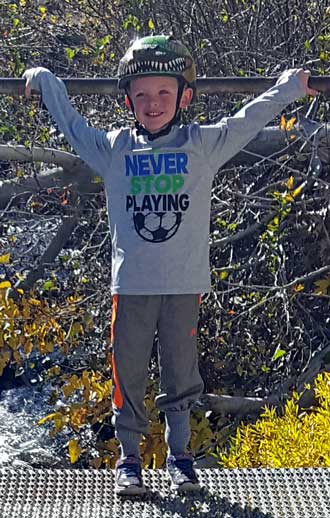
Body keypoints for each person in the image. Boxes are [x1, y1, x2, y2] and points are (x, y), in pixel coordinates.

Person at [23, 35, 317, 496]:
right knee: (129, 371)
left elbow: (248, 117)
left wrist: (290, 88)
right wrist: (47, 82)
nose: (152, 103)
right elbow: (74, 127)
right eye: (141, 95)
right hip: (132, 288)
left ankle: (181, 457)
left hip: (184, 287)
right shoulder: (114, 149)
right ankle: (130, 460)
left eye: (164, 93)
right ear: (127, 100)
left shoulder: (202, 146)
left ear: (184, 97)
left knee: (182, 373)